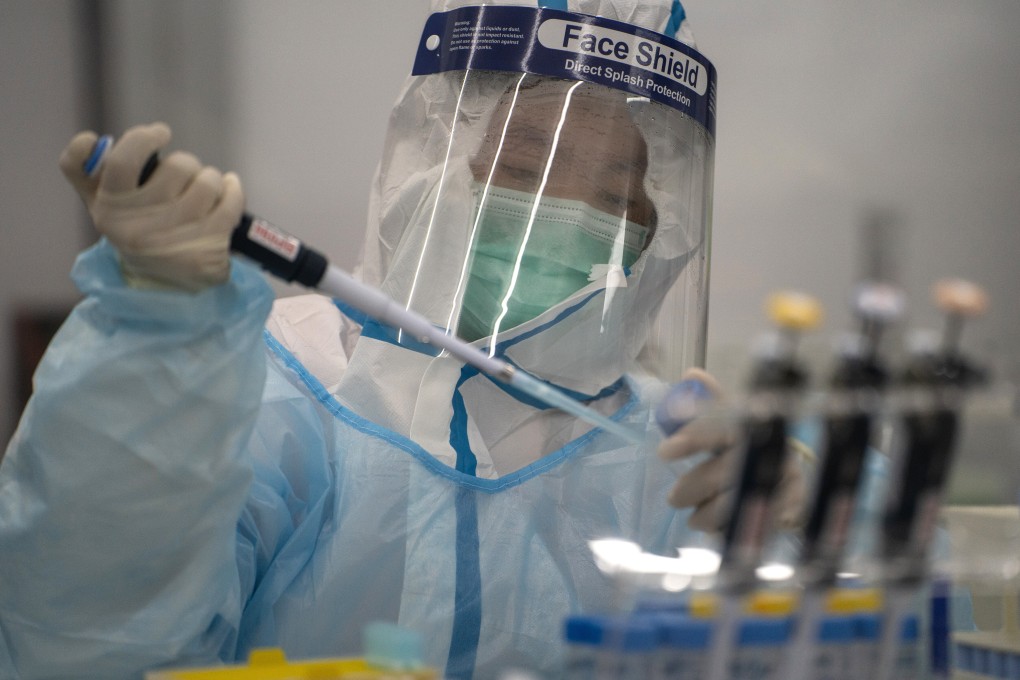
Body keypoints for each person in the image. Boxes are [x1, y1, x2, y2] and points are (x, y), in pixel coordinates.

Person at [0, 2, 804, 678]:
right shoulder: (264, 389)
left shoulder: (680, 457)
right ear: (433, 166)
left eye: (610, 194)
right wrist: (150, 348)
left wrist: (812, 531)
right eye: (523, 165)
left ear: (656, 235)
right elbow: (84, 643)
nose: (557, 210)